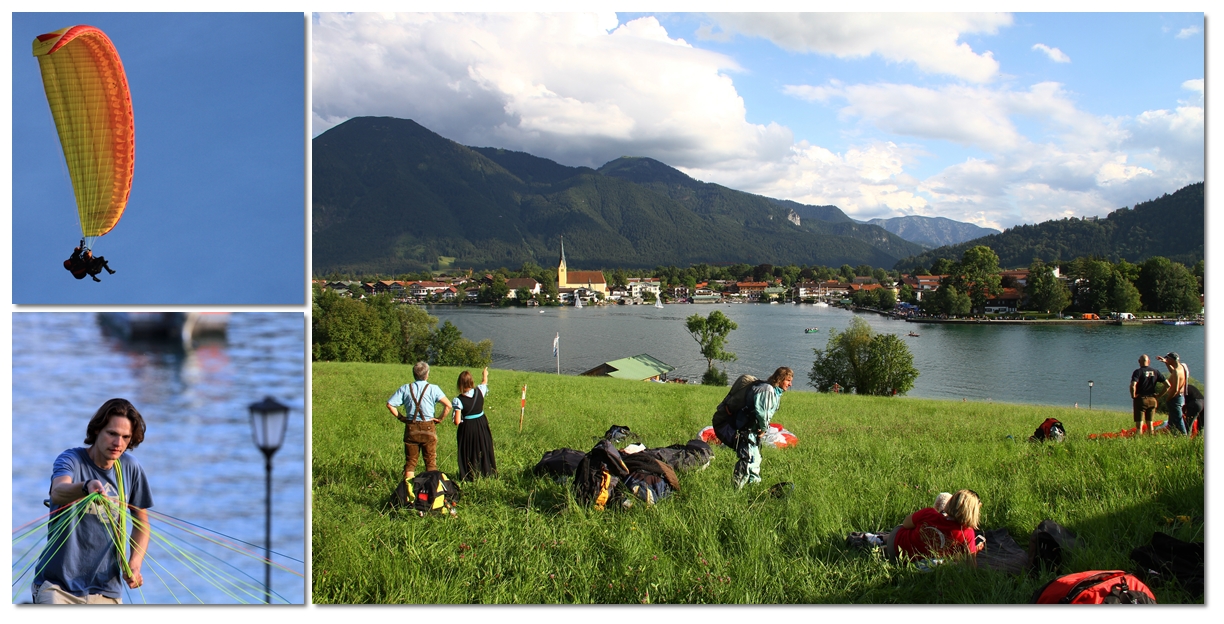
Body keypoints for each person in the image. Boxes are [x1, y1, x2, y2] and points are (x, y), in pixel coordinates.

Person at [32, 398, 153, 604]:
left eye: (125, 437)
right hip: (58, 588)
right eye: (112, 434)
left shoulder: (130, 468)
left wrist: (135, 563)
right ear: (97, 430)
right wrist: (86, 486)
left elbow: (142, 522)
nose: (118, 443)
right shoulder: (71, 460)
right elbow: (58, 492)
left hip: (107, 591)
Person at [387, 361, 453, 483]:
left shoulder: (405, 388)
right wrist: (439, 419)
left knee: (411, 462)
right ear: (427, 374)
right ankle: (431, 491)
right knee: (430, 461)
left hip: (411, 427)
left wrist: (402, 418)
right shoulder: (434, 388)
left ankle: (408, 492)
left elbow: (390, 404)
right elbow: (448, 405)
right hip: (428, 426)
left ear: (414, 374)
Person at [731, 366, 793, 490]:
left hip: (753, 431)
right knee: (747, 460)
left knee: (756, 460)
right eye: (788, 380)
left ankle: (753, 489)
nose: (790, 384)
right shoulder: (767, 390)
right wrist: (764, 428)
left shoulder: (774, 391)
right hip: (747, 430)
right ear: (779, 379)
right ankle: (735, 491)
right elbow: (762, 413)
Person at [886, 489, 983, 566]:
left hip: (895, 548)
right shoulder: (966, 533)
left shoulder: (929, 513)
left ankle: (881, 540)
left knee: (905, 528)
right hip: (920, 563)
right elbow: (971, 564)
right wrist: (974, 550)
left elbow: (906, 524)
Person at [451, 367, 495, 480]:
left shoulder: (458, 400)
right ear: (471, 381)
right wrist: (485, 374)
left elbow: (456, 421)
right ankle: (487, 471)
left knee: (469, 450)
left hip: (468, 427)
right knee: (483, 447)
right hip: (481, 423)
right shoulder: (480, 390)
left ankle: (470, 474)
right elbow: (484, 382)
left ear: (459, 384)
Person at [1130, 354, 1165, 435]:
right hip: (1153, 399)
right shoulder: (1156, 371)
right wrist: (1159, 395)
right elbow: (1168, 385)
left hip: (1141, 399)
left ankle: (1138, 440)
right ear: (1149, 361)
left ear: (1139, 362)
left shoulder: (1138, 372)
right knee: (1150, 423)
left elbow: (1133, 385)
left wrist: (1133, 395)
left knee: (1139, 424)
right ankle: (1151, 438)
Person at [1157, 352, 1190, 435]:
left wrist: (1168, 399)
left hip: (1175, 398)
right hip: (1181, 397)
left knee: (1178, 419)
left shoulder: (1176, 371)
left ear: (1171, 359)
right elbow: (1174, 373)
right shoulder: (1182, 367)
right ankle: (1173, 434)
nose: (1167, 360)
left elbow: (1175, 389)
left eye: (1168, 359)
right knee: (1172, 419)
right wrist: (1166, 362)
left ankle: (1184, 436)